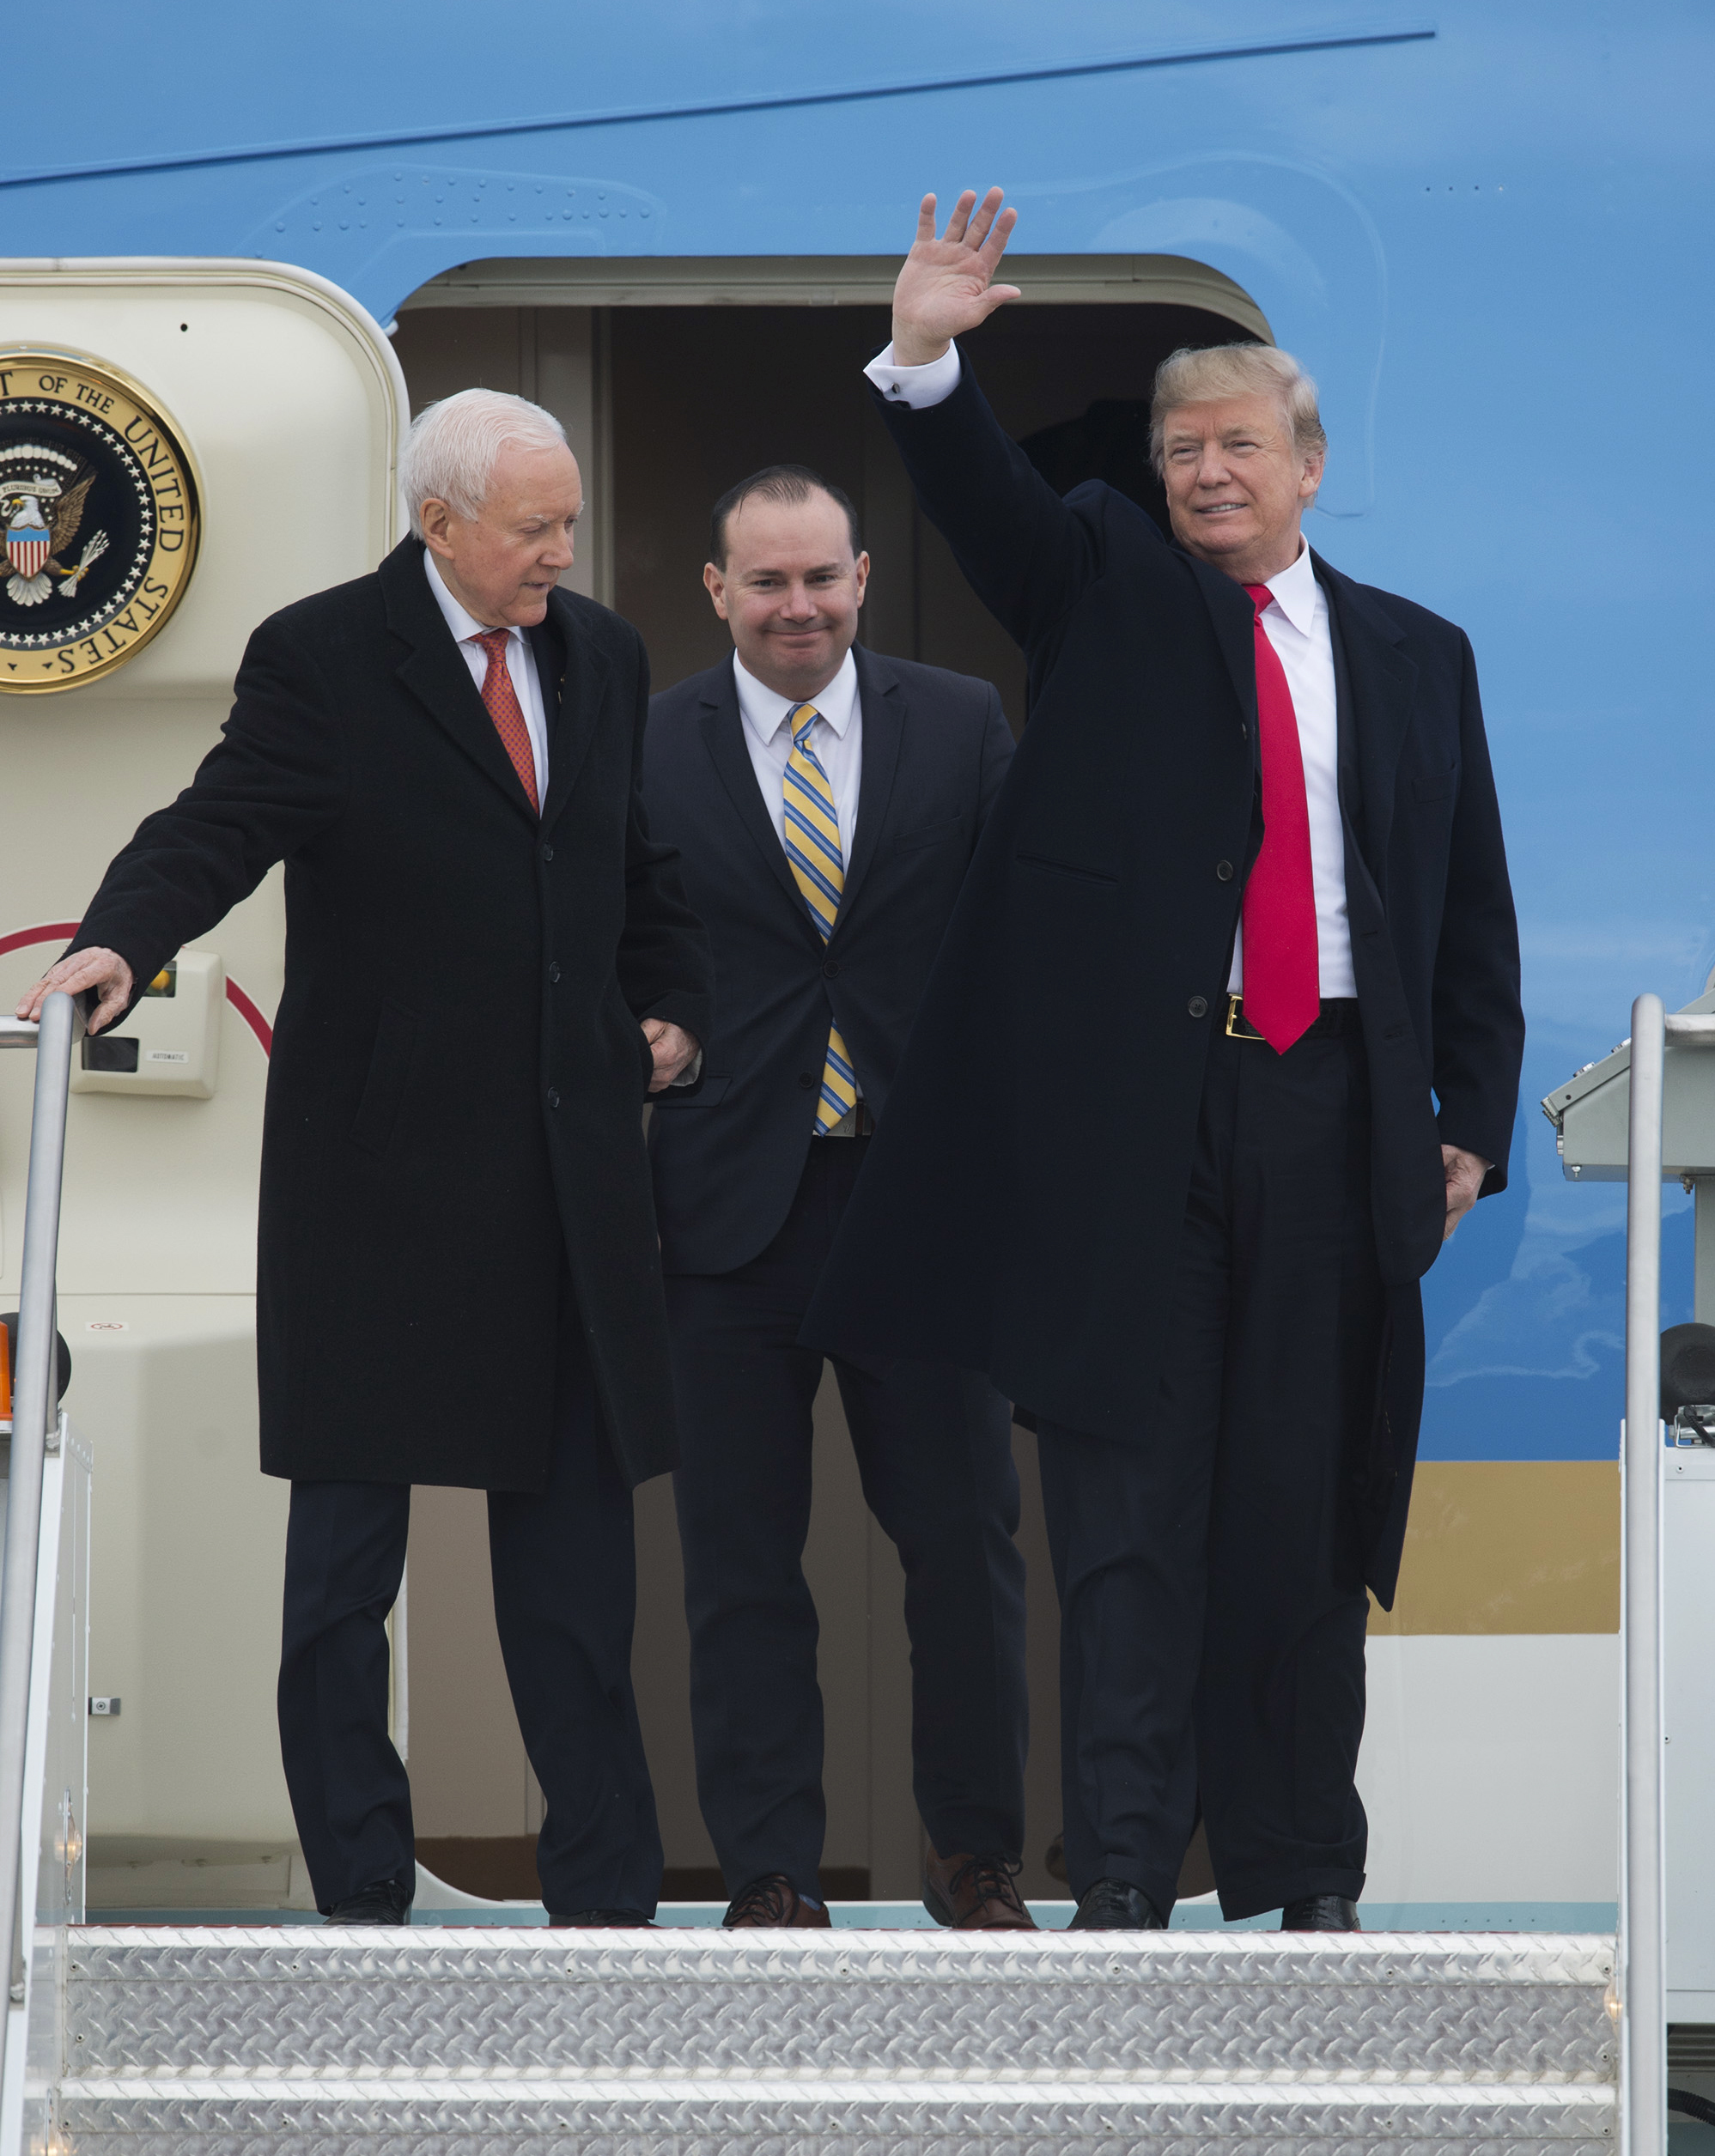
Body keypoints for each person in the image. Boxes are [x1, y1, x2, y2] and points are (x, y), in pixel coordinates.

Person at [802, 189, 1524, 1933]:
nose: (1206, 472)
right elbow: (993, 514)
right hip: (1148, 1119)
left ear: (1308, 463)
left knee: (1304, 1510)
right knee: (1126, 1513)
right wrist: (923, 357)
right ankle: (1123, 1873)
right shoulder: (1111, 582)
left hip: (1334, 1109)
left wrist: (1471, 1122)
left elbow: (1470, 909)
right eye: (1179, 447)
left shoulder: (1420, 656)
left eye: (1238, 446)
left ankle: (1301, 1874)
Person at [17, 389, 713, 1928]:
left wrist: (669, 1011)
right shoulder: (325, 656)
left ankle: (606, 1907)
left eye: (570, 522)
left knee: (579, 1586)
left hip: (564, 1186)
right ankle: (360, 1905)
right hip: (380, 1181)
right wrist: (116, 945)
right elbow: (218, 822)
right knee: (344, 1584)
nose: (562, 551)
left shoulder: (597, 656)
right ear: (439, 522)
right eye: (534, 528)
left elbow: (634, 869)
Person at [642, 465, 1033, 1930]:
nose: (795, 606)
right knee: (741, 1564)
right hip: (724, 1211)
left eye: (820, 579)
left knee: (963, 1551)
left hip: (918, 1203)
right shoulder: (647, 737)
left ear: (862, 577)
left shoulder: (962, 722)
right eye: (765, 582)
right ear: (717, 591)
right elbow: (618, 942)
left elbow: (1021, 940)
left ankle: (976, 1860)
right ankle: (769, 1870)